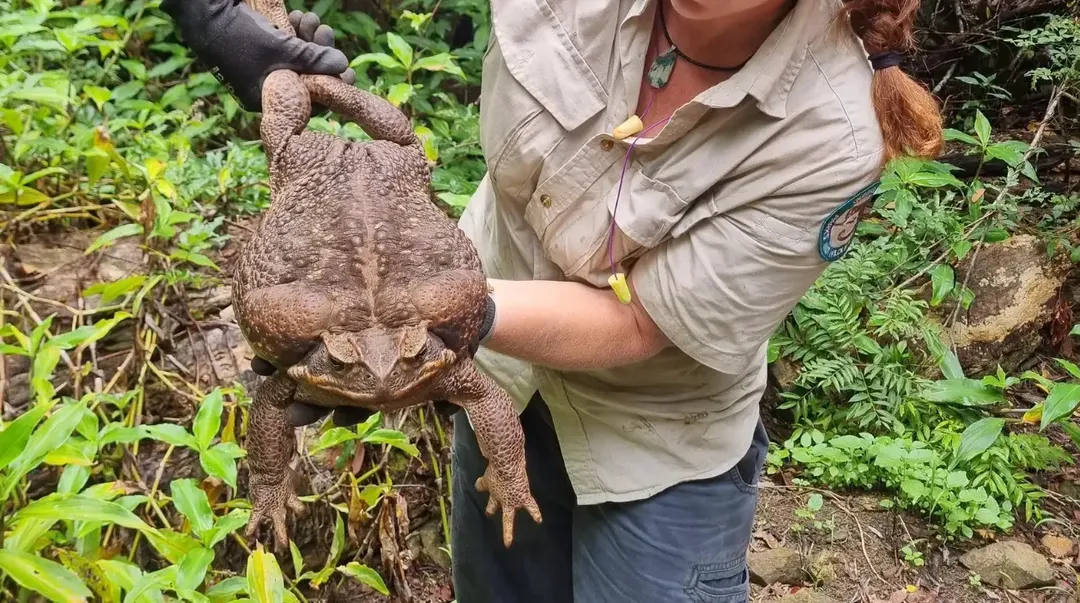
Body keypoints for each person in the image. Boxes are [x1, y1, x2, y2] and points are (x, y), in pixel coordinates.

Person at [162, 0, 943, 601]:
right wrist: (235, 21)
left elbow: (641, 321)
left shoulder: (835, 132)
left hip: (652, 441)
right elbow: (394, 158)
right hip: (499, 380)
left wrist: (433, 322)